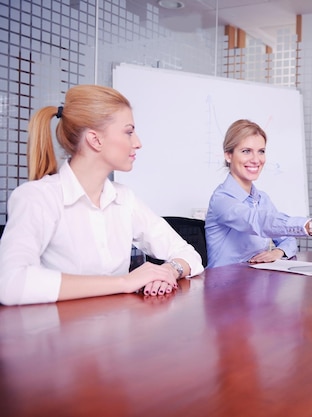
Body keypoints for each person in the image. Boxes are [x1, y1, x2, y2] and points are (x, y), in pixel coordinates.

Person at [0, 85, 204, 306]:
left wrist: (168, 271)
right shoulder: (36, 197)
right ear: (95, 140)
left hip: (117, 330)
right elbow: (11, 284)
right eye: (128, 132)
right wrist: (125, 282)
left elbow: (188, 254)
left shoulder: (124, 198)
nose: (138, 142)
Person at [204, 119, 312, 268]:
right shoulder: (221, 199)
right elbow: (259, 222)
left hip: (254, 283)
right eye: (246, 151)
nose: (256, 160)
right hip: (223, 286)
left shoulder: (262, 199)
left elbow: (287, 239)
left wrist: (279, 251)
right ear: (228, 155)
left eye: (261, 151)